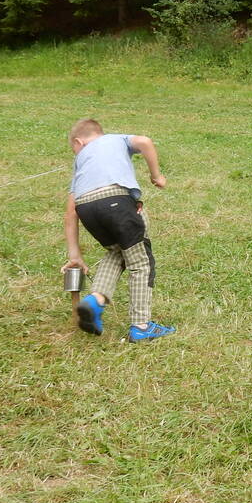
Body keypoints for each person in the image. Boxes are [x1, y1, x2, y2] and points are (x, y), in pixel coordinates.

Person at [62, 118, 175, 342]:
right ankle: (141, 326)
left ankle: (95, 300)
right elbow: (144, 141)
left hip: (86, 208)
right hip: (116, 200)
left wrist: (75, 255)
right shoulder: (117, 139)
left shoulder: (80, 161)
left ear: (78, 142)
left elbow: (70, 214)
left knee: (118, 251)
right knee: (140, 262)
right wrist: (156, 176)